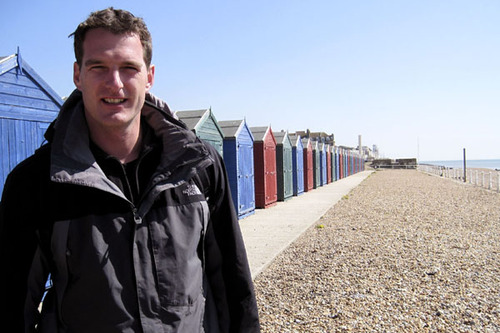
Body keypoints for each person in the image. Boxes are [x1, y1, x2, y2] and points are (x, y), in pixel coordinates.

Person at [0, 7, 260, 332]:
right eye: (98, 67)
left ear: (149, 76)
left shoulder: (199, 166)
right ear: (77, 75)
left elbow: (235, 288)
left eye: (128, 68)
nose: (115, 83)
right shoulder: (36, 183)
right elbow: (11, 307)